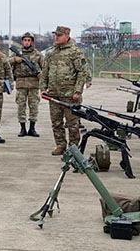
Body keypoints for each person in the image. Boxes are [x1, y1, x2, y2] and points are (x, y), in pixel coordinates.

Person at [39, 25, 86, 155]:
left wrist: (77, 91)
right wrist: (43, 88)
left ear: (67, 36)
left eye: (59, 35)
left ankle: (73, 149)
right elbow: (44, 72)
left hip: (70, 95)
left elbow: (82, 72)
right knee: (56, 122)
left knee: (73, 123)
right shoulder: (51, 53)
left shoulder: (75, 52)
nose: (56, 37)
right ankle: (60, 145)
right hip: (53, 94)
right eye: (55, 35)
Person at [11, 32, 44, 137]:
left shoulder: (38, 54)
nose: (27, 42)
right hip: (21, 84)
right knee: (21, 106)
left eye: (29, 40)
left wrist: (41, 75)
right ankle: (22, 129)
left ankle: (32, 128)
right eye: (25, 40)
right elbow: (6, 62)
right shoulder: (16, 54)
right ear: (22, 41)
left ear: (32, 42)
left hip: (34, 84)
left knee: (34, 107)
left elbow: (45, 68)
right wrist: (15, 60)